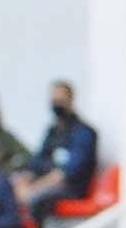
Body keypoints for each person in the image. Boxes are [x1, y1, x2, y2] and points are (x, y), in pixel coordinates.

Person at [15, 80, 99, 215]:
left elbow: (67, 172)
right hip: (46, 183)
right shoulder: (52, 132)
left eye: (61, 99)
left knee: (36, 199)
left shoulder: (84, 132)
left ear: (71, 100)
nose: (57, 103)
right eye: (54, 99)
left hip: (71, 188)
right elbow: (37, 162)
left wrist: (34, 188)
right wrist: (23, 181)